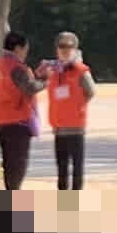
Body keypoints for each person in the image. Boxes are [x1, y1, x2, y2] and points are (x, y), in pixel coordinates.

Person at [0, 29, 44, 190]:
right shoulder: (15, 67)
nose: (26, 53)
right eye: (25, 49)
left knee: (9, 163)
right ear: (18, 48)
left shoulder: (0, 65)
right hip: (17, 121)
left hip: (1, 119)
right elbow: (29, 88)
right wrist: (47, 80)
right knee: (18, 164)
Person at [44, 30, 94, 196]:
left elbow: (91, 92)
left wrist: (77, 106)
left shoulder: (81, 70)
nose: (65, 49)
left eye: (69, 46)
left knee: (77, 166)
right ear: (56, 49)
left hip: (75, 127)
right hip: (59, 128)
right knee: (61, 167)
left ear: (75, 49)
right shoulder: (53, 70)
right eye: (62, 46)